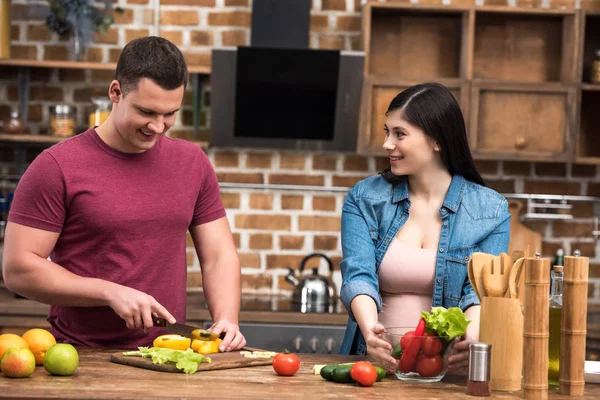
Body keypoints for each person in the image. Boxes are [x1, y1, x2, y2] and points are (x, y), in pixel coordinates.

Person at [2, 37, 246, 351]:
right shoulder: (56, 167)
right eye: (147, 112)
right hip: (81, 358)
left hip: (168, 355)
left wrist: (227, 318)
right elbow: (19, 269)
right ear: (116, 92)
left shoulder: (192, 163)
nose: (158, 127)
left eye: (169, 114)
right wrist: (109, 292)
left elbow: (218, 256)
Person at [338, 82, 510, 374]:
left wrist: (473, 336)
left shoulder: (490, 210)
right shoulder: (365, 198)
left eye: (400, 134)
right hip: (376, 369)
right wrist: (370, 331)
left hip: (450, 374)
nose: (387, 144)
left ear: (437, 140)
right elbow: (358, 274)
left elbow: (481, 292)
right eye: (387, 131)